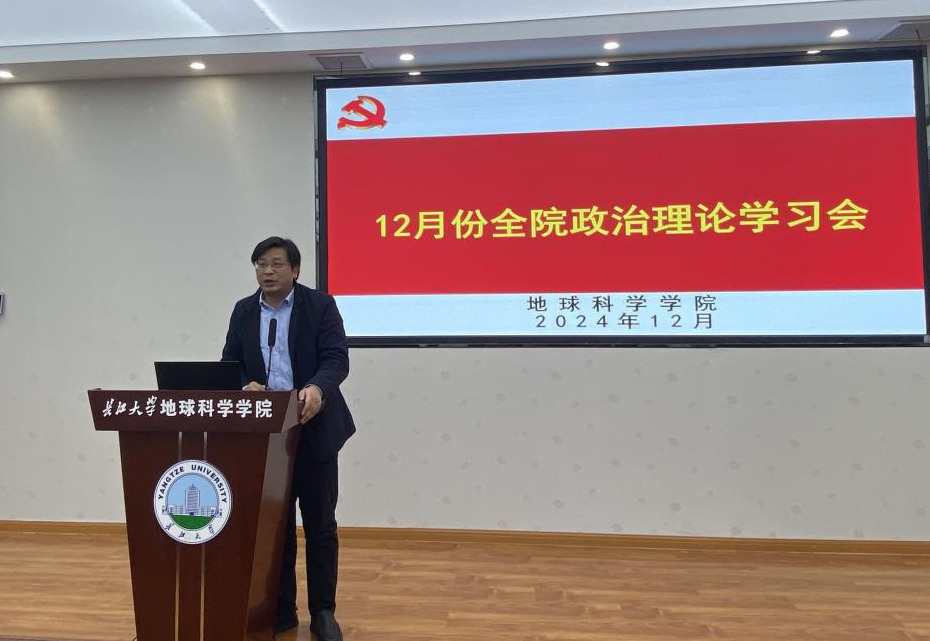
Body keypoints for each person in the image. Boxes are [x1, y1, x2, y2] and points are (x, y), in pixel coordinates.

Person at [221, 236, 355, 641]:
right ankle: (281, 610)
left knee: (319, 525)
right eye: (261, 264)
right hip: (266, 437)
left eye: (277, 264)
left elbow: (336, 359)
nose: (268, 271)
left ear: (295, 270)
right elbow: (230, 362)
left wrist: (316, 387)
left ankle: (323, 612)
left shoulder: (320, 306)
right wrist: (244, 384)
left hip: (313, 428)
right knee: (275, 527)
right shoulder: (244, 311)